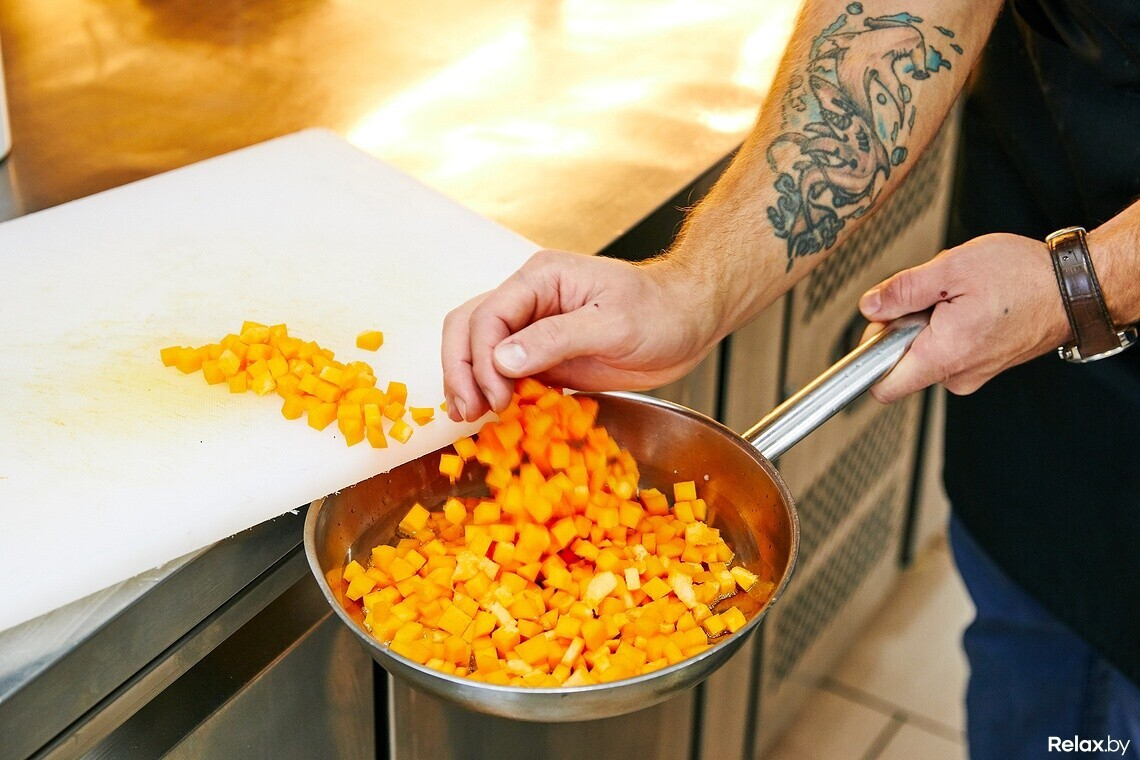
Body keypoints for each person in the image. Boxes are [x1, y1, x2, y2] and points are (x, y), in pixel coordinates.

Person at [441, 1, 1140, 757]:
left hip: (1058, 285)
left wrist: (1082, 284)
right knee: (1031, 657)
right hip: (1039, 257)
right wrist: (691, 289)